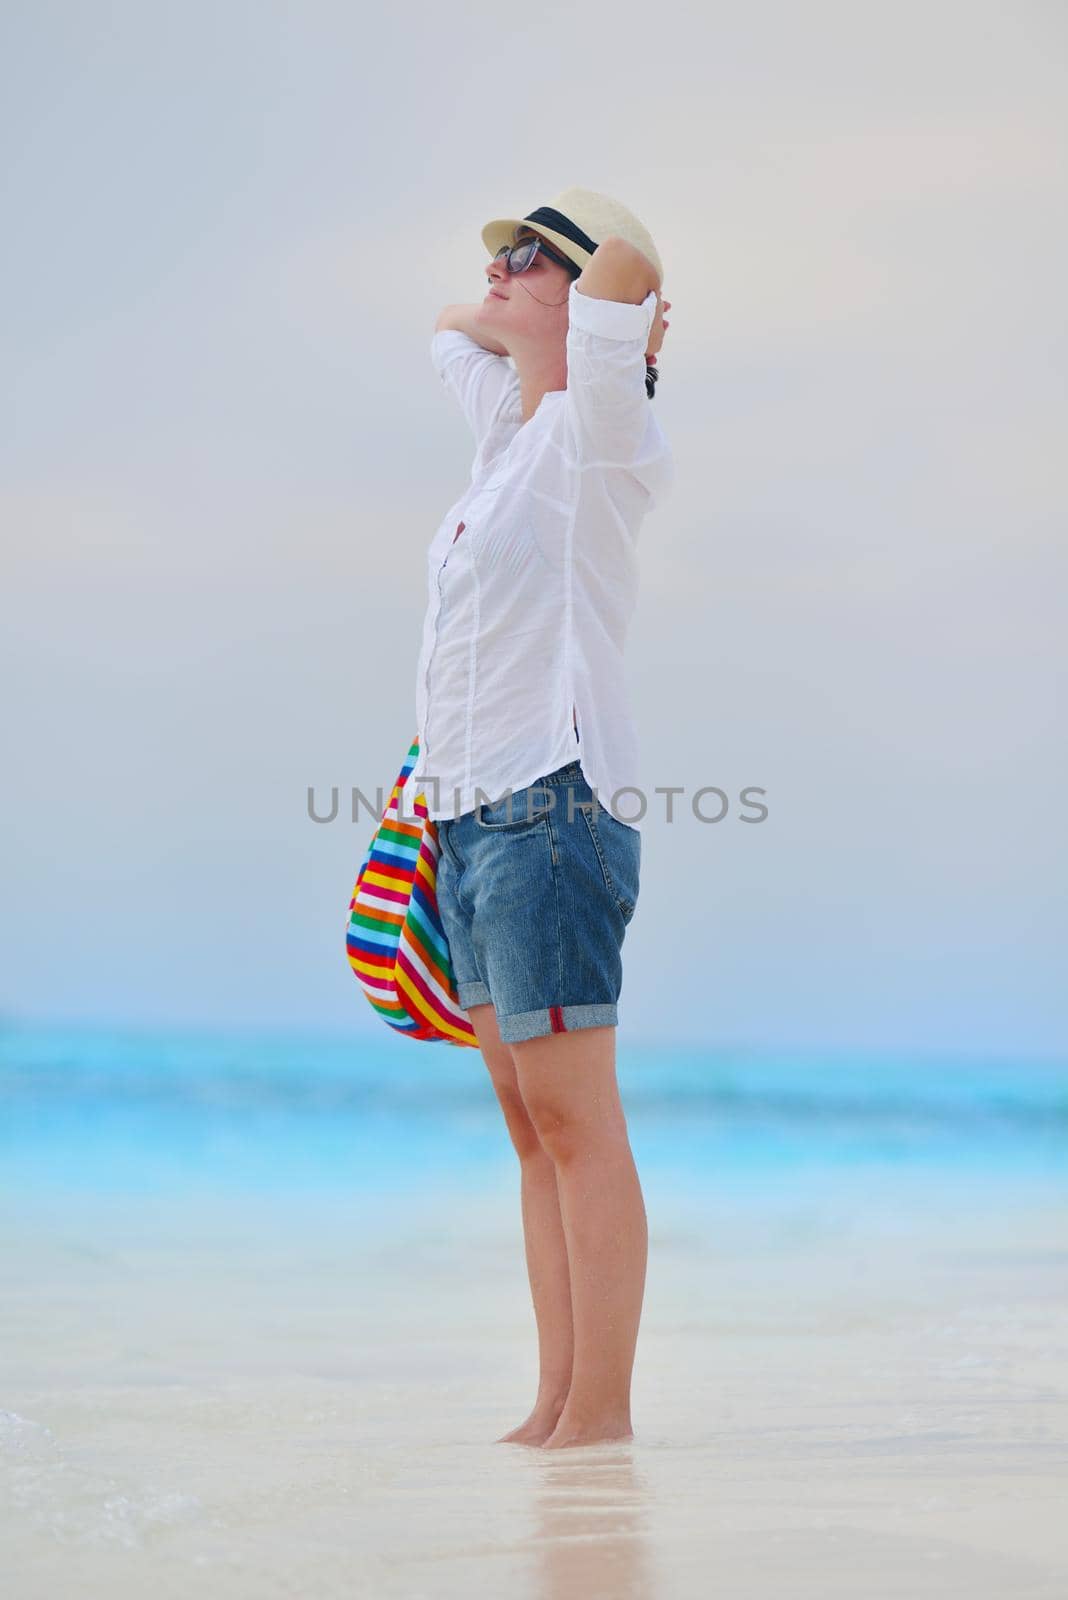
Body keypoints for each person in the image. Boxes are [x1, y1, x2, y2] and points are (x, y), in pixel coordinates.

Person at [412, 187, 673, 1450]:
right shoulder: (508, 444)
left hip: (549, 807)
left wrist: (621, 323)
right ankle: (555, 1400)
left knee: (577, 1119)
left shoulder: (598, 438)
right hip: (467, 820)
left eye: (531, 260)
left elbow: (625, 261)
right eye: (500, 256)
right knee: (530, 1128)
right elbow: (445, 334)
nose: (503, 271)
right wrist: (519, 316)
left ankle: (604, 1416)